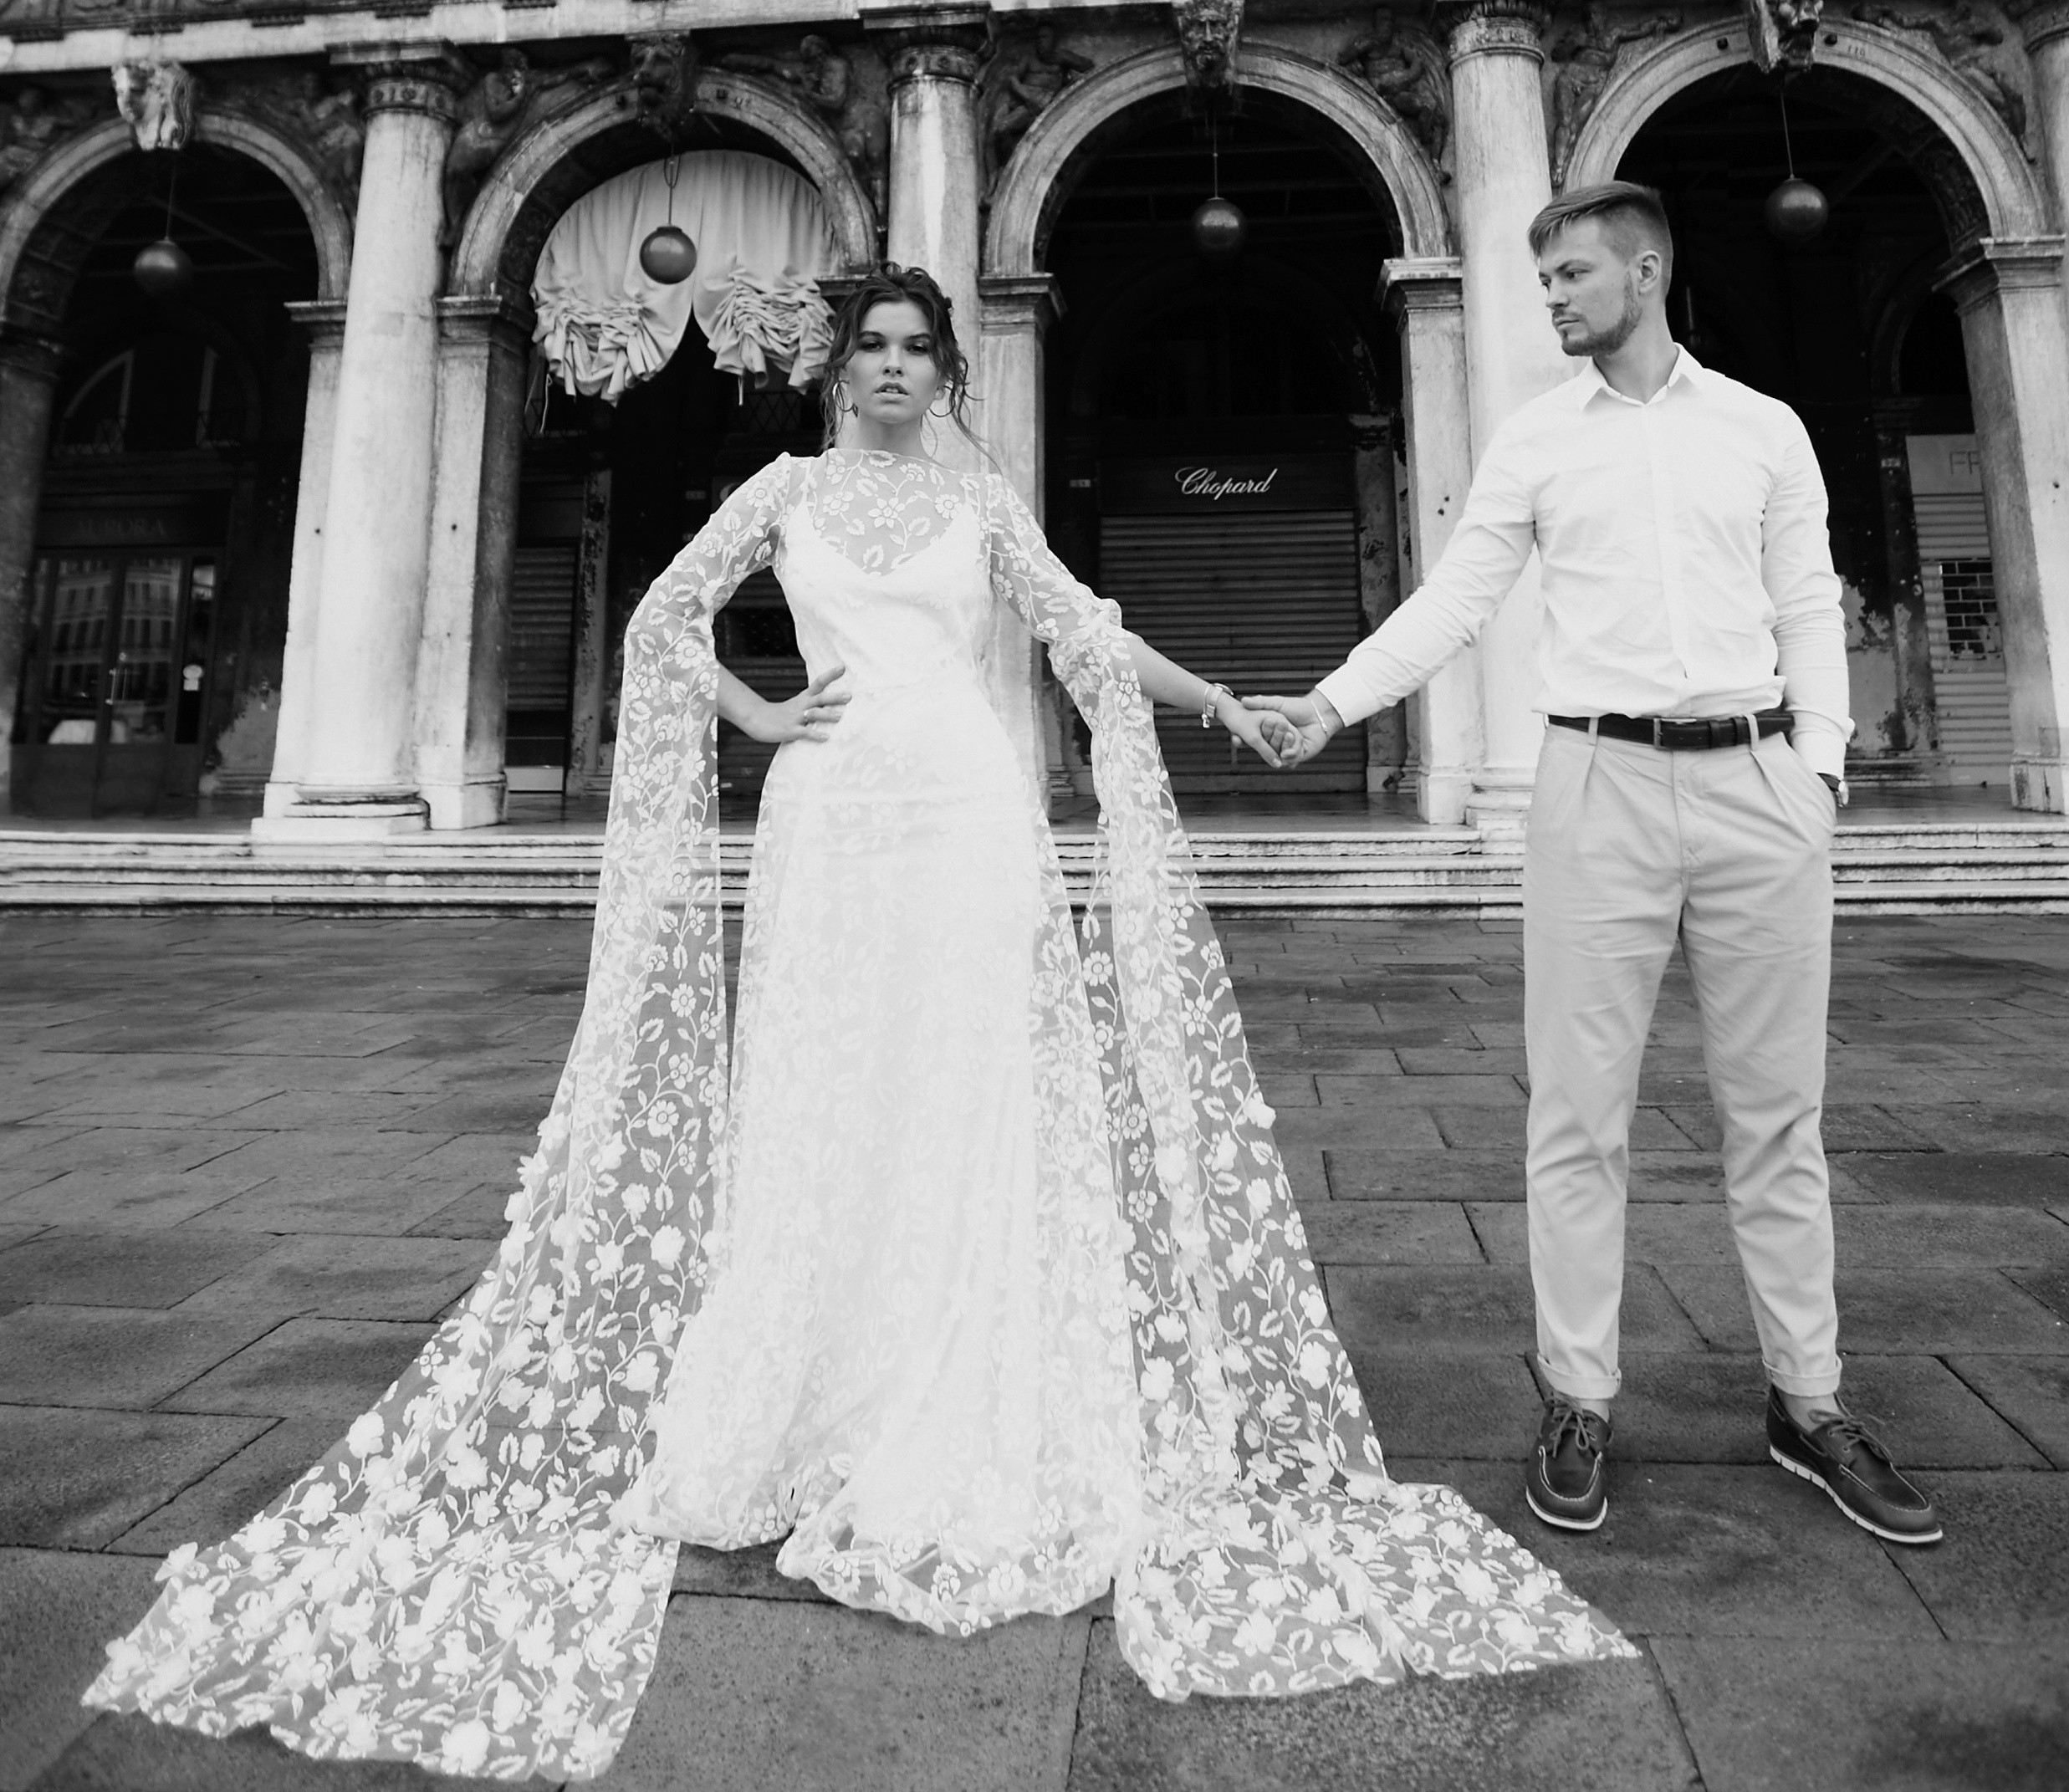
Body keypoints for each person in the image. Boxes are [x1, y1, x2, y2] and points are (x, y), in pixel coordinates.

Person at [88, 264, 1621, 1779]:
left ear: (948, 373)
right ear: (841, 372)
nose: (892, 369)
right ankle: (814, 1384)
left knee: (962, 1093)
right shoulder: (783, 490)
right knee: (830, 1099)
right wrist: (760, 718)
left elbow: (1087, 635)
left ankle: (947, 1389)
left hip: (963, 813)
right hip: (828, 820)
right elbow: (663, 615)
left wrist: (1222, 700)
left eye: (914, 349)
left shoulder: (979, 507)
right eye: (871, 348)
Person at [1246, 181, 1942, 1552]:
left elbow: (1808, 600)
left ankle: (1810, 1404)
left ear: (1646, 269)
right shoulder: (1534, 444)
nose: (1552, 296)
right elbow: (1457, 596)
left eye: (1571, 274)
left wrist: (1822, 768)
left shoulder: (1763, 429)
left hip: (1759, 784)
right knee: (1577, 1117)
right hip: (1594, 783)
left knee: (1778, 1119)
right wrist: (1332, 703)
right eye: (1544, 277)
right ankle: (1576, 1397)